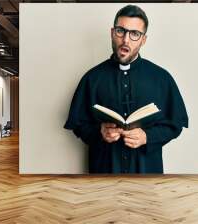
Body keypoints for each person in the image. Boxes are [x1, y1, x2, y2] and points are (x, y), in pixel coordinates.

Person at [64, 5, 188, 174]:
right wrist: (99, 132)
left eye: (134, 34)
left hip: (147, 174)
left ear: (143, 40)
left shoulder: (161, 78)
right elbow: (78, 124)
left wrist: (147, 137)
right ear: (112, 33)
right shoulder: (92, 78)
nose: (125, 40)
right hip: (104, 173)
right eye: (120, 31)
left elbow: (175, 124)